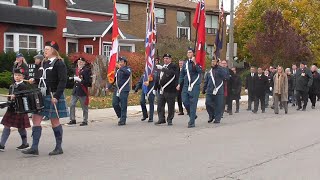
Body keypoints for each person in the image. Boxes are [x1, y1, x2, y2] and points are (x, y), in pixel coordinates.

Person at [22, 41, 68, 156]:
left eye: (47, 49)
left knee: (54, 121)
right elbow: (40, 77)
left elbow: (63, 81)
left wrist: (57, 96)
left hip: (52, 95)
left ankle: (58, 147)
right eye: (44, 49)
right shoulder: (44, 63)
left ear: (53, 50)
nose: (45, 51)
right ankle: (34, 147)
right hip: (41, 95)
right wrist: (34, 80)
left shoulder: (59, 63)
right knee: (35, 119)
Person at [0, 68, 30, 152]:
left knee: (21, 127)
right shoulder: (12, 86)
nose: (17, 77)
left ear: (23, 76)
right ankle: (1, 145)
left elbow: (25, 98)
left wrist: (17, 96)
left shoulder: (24, 86)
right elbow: (10, 98)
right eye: (15, 75)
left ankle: (25, 143)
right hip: (11, 109)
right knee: (6, 125)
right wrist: (6, 103)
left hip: (20, 110)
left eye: (19, 75)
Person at [177, 48, 202, 128]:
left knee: (193, 103)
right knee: (184, 100)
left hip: (194, 85)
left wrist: (195, 62)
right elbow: (182, 74)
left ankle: (191, 122)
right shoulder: (185, 63)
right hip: (186, 85)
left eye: (190, 52)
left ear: (193, 54)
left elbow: (200, 71)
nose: (189, 53)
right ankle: (192, 115)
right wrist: (179, 84)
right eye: (188, 52)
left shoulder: (197, 62)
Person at [154, 54, 178, 126]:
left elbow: (171, 73)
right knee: (160, 105)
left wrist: (162, 69)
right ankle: (161, 119)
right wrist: (155, 88)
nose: (165, 60)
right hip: (161, 90)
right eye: (164, 58)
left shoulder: (173, 66)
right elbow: (158, 78)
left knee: (170, 106)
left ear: (170, 59)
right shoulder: (162, 67)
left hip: (170, 90)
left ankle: (170, 119)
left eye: (167, 58)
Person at [67, 58, 92, 126]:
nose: (80, 63)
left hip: (82, 90)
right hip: (75, 90)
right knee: (72, 104)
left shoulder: (86, 70)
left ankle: (85, 120)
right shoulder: (76, 70)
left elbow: (88, 82)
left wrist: (80, 80)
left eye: (81, 62)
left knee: (84, 107)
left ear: (84, 63)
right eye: (79, 62)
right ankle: (72, 119)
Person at [107, 57, 131, 126]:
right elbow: (114, 80)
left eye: (121, 62)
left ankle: (122, 120)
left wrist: (120, 67)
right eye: (119, 62)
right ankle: (121, 116)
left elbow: (128, 73)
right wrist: (108, 86)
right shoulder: (118, 71)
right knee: (115, 103)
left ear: (125, 63)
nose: (120, 63)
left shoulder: (127, 69)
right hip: (117, 89)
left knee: (123, 105)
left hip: (124, 90)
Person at [203, 59, 229, 124]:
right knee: (208, 103)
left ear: (217, 62)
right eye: (212, 61)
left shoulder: (222, 70)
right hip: (209, 90)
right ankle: (211, 115)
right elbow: (206, 81)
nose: (213, 63)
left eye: (214, 61)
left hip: (218, 90)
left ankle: (217, 118)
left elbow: (226, 77)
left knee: (218, 105)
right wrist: (204, 89)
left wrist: (219, 67)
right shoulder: (209, 71)